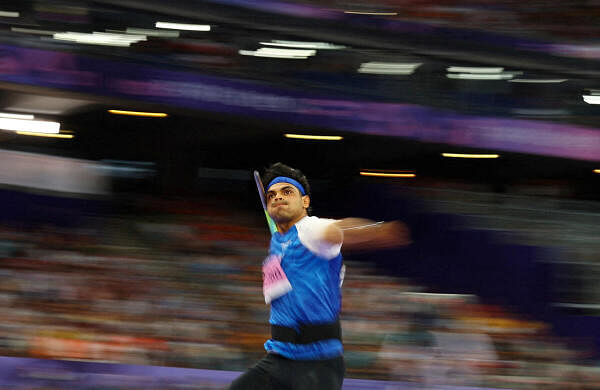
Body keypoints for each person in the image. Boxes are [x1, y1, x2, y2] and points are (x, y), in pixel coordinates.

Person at [228, 163, 411, 390]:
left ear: (305, 201)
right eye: (272, 195)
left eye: (287, 192)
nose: (277, 198)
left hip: (316, 366)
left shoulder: (311, 229)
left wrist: (376, 231)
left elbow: (337, 230)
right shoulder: (278, 241)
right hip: (279, 360)